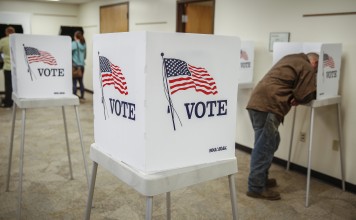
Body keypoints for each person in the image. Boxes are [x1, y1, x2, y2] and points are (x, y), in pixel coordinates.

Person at [246, 52, 319, 200]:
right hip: (269, 105)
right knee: (265, 146)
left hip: (257, 102)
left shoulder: (291, 58)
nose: (315, 73)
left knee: (270, 142)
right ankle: (255, 187)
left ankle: (261, 179)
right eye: (317, 71)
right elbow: (304, 95)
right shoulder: (307, 66)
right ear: (315, 63)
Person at [0, 26, 15, 108]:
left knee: (8, 86)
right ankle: (15, 103)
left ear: (6, 32)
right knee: (16, 86)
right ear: (13, 32)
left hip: (8, 67)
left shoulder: (3, 41)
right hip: (16, 68)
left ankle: (8, 103)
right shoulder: (16, 40)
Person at [72, 30, 86, 100]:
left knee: (74, 82)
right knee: (81, 81)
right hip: (82, 66)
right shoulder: (84, 44)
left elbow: (69, 52)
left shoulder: (74, 44)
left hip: (75, 66)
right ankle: (82, 96)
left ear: (76, 37)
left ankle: (74, 96)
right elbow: (85, 56)